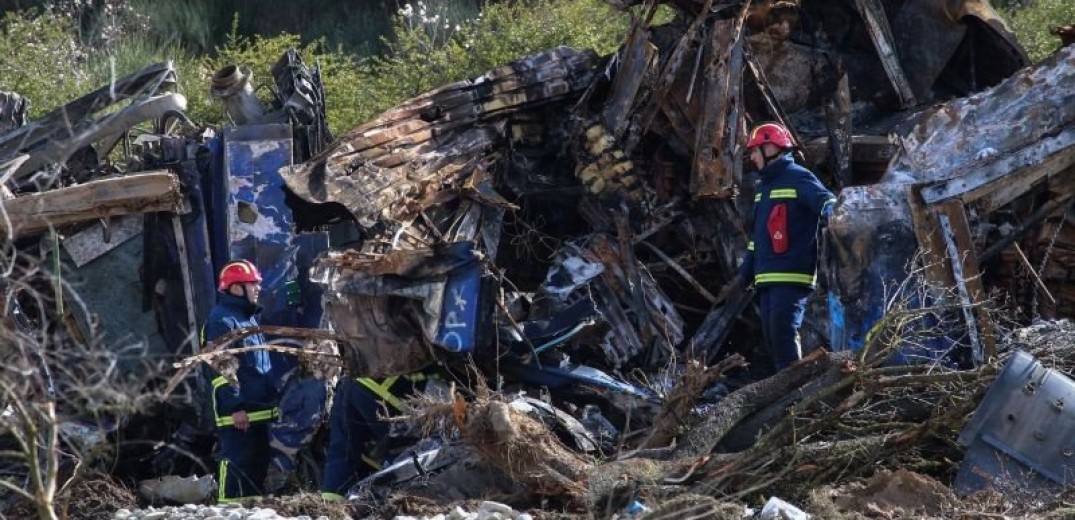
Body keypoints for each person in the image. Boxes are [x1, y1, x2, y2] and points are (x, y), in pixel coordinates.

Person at [722, 122, 835, 371]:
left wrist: (840, 217)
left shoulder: (799, 176)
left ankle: (795, 398)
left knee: (784, 335)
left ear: (770, 148)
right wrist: (743, 276)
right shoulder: (763, 188)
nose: (751, 158)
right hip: (766, 278)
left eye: (754, 151)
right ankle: (785, 395)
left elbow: (828, 203)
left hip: (791, 275)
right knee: (773, 340)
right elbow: (758, 239)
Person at [203, 259, 281, 502]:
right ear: (236, 288)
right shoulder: (221, 320)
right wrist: (235, 406)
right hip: (238, 413)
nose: (258, 288)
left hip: (257, 410)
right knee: (237, 463)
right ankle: (226, 510)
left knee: (256, 465)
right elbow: (222, 368)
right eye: (252, 284)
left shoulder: (246, 318)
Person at [320, 373, 434, 500]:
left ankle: (329, 505)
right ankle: (403, 501)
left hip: (351, 382)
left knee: (342, 451)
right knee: (400, 453)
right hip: (384, 398)